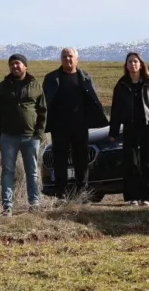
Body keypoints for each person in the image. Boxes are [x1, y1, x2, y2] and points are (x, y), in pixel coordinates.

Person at [42, 47, 108, 200]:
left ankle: (82, 192)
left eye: (70, 56)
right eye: (64, 56)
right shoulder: (51, 78)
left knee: (81, 160)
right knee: (60, 161)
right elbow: (45, 102)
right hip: (59, 127)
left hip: (80, 126)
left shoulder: (85, 77)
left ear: (77, 59)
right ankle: (61, 193)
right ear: (61, 59)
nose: (68, 59)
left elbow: (93, 100)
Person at [108, 52, 149, 206]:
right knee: (131, 162)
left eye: (135, 61)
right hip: (130, 127)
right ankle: (131, 197)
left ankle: (147, 197)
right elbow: (115, 110)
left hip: (148, 127)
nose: (133, 64)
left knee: (147, 161)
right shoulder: (121, 85)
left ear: (141, 64)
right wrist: (113, 131)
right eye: (130, 62)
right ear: (126, 65)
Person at [0, 53, 46, 215]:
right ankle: (7, 206)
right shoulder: (3, 86)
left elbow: (43, 110)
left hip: (30, 137)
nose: (15, 66)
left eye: (18, 63)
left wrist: (39, 133)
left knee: (32, 171)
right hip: (8, 136)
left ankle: (34, 203)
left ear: (25, 66)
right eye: (12, 64)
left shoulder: (35, 85)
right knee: (7, 171)